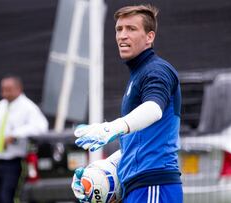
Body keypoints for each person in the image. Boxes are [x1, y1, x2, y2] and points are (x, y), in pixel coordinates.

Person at [72, 4, 183, 203]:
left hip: (154, 185)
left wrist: (111, 127)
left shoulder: (157, 70)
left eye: (131, 29)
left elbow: (154, 109)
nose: (122, 35)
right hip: (139, 186)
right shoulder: (139, 74)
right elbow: (138, 143)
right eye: (119, 29)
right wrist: (97, 173)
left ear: (150, 37)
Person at [0, 75, 48, 203]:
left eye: (9, 89)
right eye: (3, 89)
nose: (5, 93)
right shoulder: (0, 106)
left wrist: (16, 134)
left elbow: (41, 126)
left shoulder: (28, 107)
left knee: (7, 197)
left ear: (19, 88)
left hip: (12, 162)